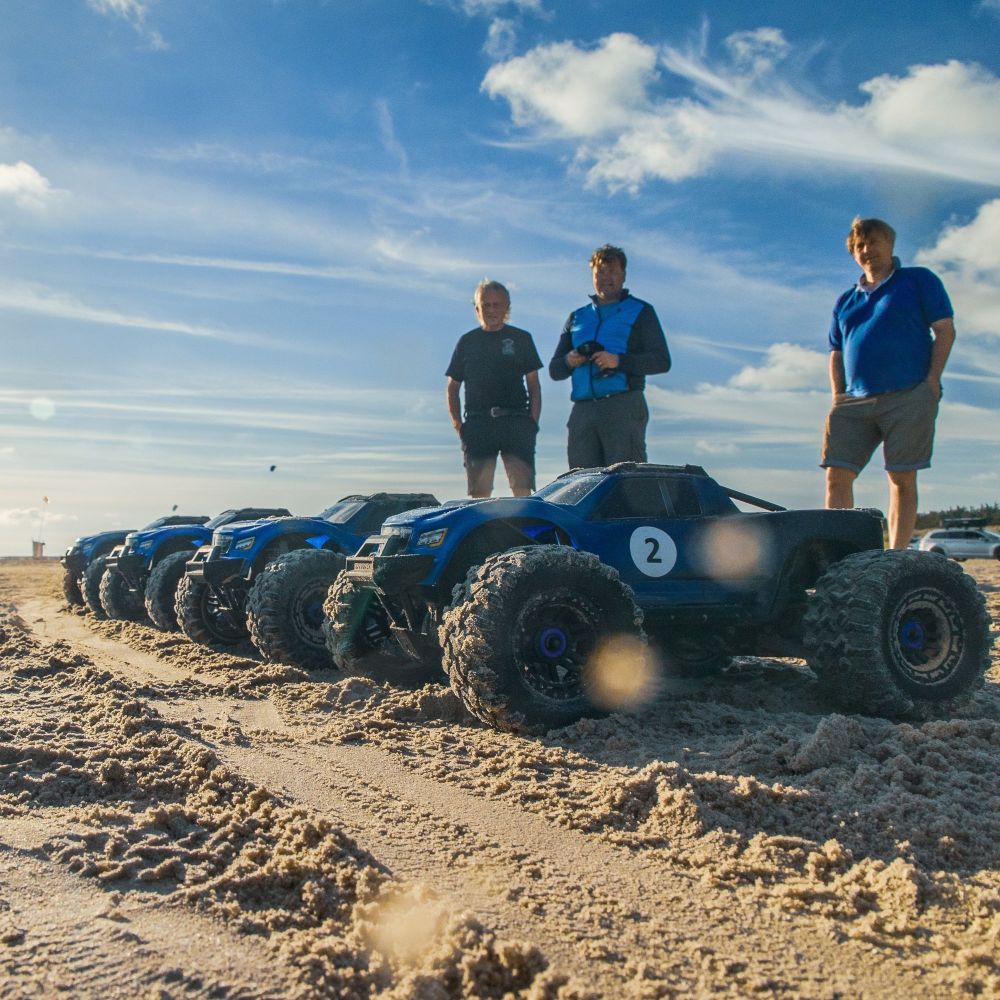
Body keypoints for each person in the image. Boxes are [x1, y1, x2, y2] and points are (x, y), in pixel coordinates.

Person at [821, 217, 955, 549]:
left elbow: (944, 330)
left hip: (909, 393)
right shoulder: (845, 301)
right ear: (853, 253)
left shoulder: (918, 280)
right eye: (860, 245)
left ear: (890, 245)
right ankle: (840, 554)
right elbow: (836, 352)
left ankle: (896, 555)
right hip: (853, 400)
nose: (867, 249)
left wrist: (931, 382)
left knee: (901, 477)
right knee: (837, 474)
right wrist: (838, 395)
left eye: (874, 242)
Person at [549, 244, 670, 469]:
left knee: (625, 479)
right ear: (592, 276)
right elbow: (555, 370)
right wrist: (570, 360)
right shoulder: (577, 317)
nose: (606, 278)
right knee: (583, 481)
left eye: (612, 271)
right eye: (600, 273)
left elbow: (662, 361)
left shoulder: (640, 311)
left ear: (624, 275)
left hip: (623, 404)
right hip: (583, 410)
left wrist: (618, 361)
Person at [446, 280, 542, 498]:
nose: (491, 310)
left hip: (516, 422)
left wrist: (532, 423)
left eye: (496, 304)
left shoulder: (521, 339)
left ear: (507, 307)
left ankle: (524, 521)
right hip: (478, 425)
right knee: (480, 494)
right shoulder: (467, 342)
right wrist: (459, 426)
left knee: (522, 489)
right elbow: (452, 388)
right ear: (477, 309)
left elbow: (534, 385)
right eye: (485, 305)